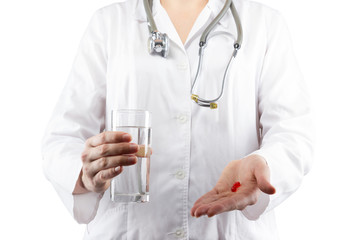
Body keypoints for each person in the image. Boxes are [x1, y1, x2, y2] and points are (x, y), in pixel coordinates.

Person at [42, 0, 314, 239]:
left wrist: (265, 164)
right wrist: (86, 175)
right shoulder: (109, 24)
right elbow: (61, 140)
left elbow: (293, 134)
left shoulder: (265, 24)